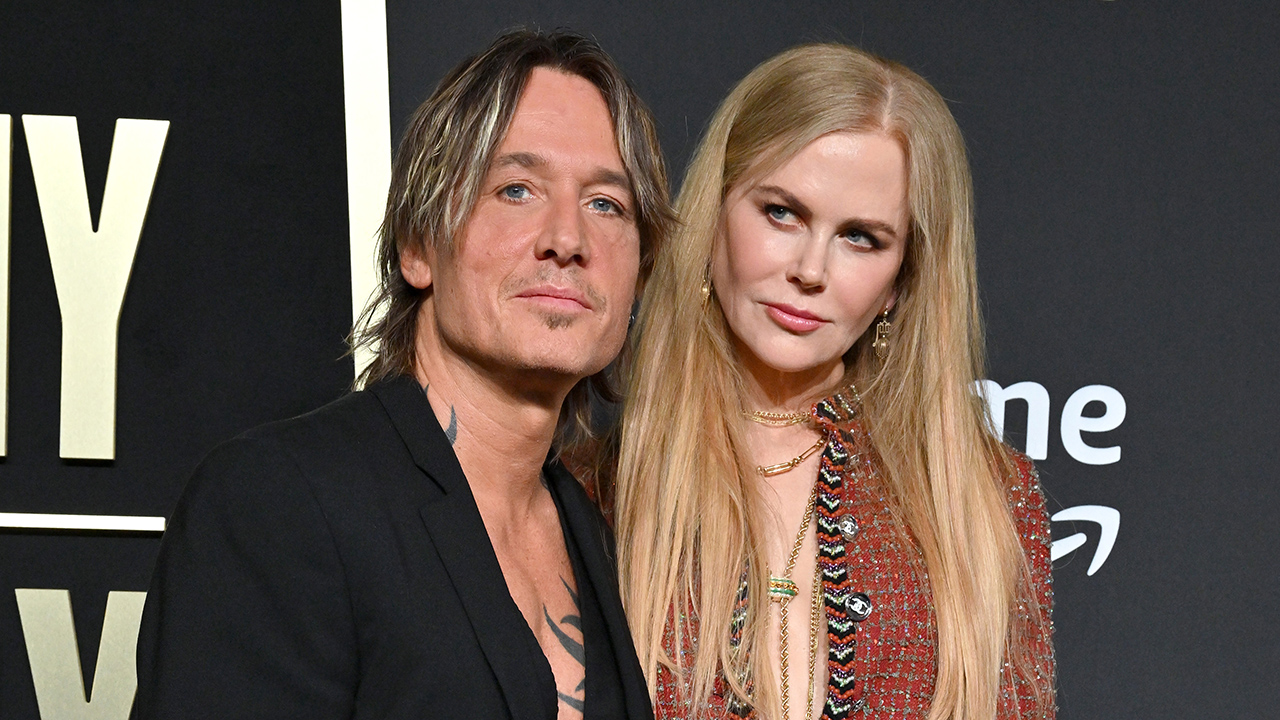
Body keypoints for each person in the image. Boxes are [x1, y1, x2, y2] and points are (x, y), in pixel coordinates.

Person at [131, 29, 672, 720]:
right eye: (515, 189)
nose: (567, 239)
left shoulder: (600, 533)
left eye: (607, 204)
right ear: (418, 245)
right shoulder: (278, 502)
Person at [612, 44, 1056, 720]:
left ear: (900, 284)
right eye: (782, 212)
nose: (810, 270)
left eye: (861, 238)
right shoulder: (602, 488)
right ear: (714, 216)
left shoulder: (986, 501)